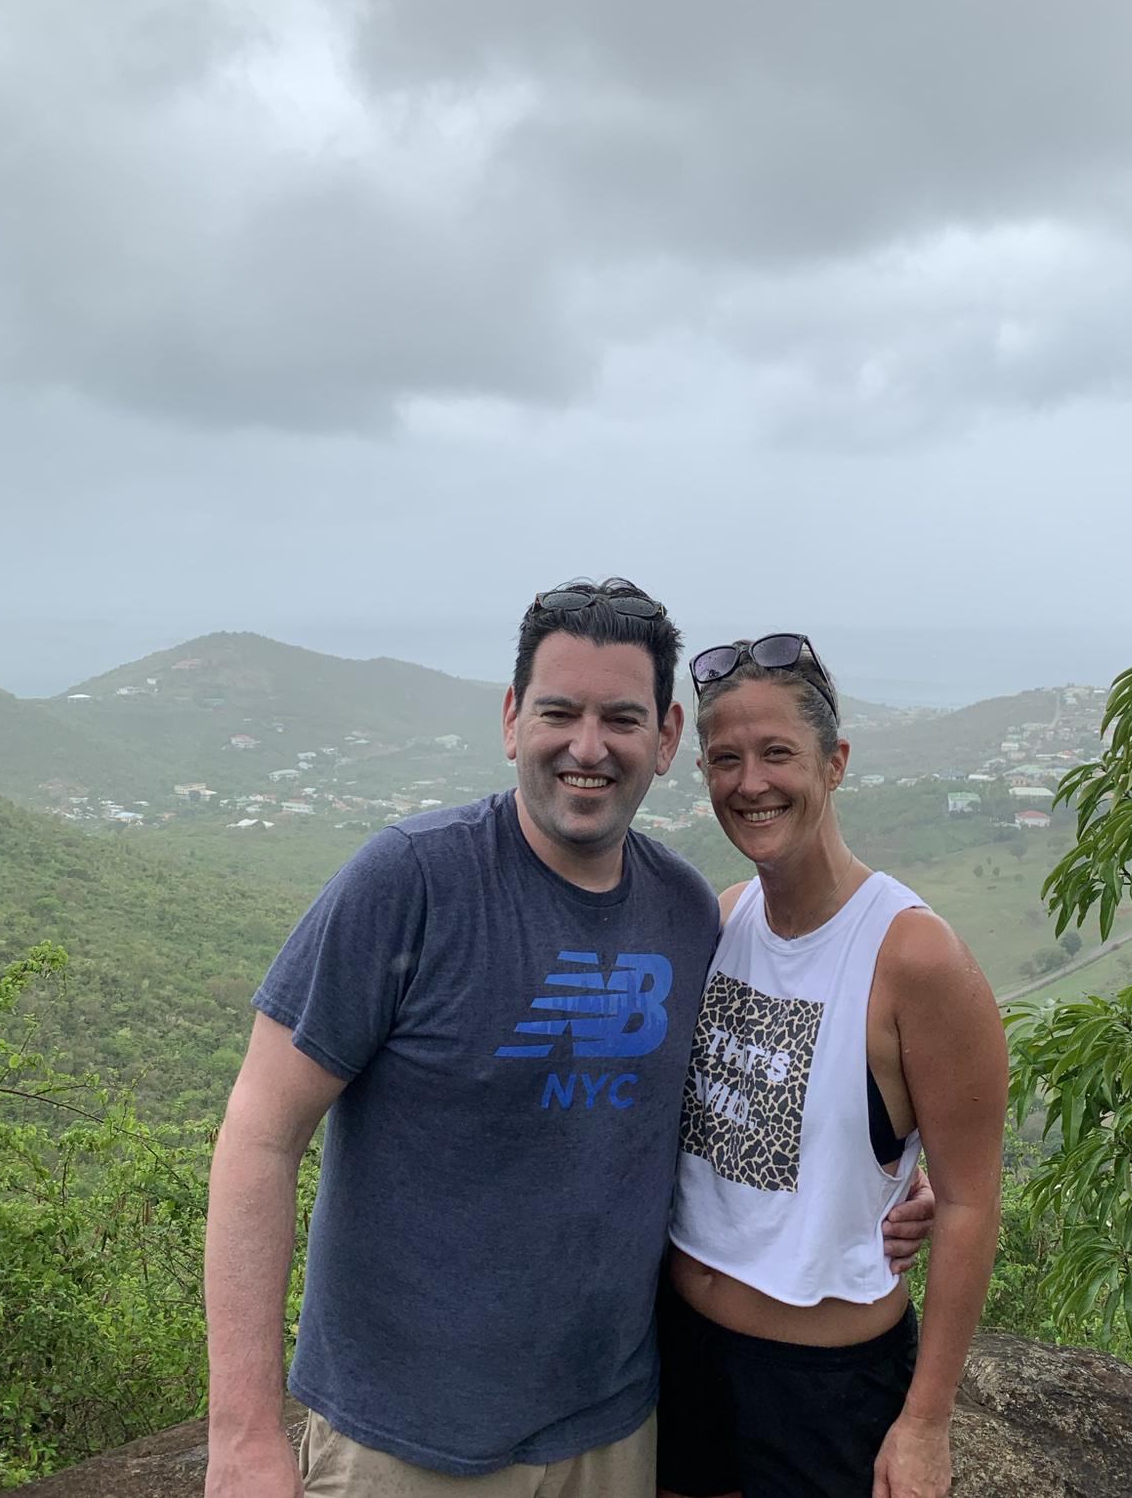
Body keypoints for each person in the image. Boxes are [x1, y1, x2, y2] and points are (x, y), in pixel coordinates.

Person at [203, 582, 932, 1498]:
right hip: (405, 1443)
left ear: (665, 741)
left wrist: (895, 1169)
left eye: (621, 719)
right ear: (513, 719)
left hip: (617, 1433)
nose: (588, 748)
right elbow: (260, 1132)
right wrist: (241, 1434)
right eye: (559, 712)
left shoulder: (686, 913)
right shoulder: (411, 882)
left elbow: (750, 1087)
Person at [656, 633, 1009, 1498]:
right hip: (679, 1350)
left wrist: (926, 1422)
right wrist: (886, 1182)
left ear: (835, 761)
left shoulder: (911, 955)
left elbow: (968, 1200)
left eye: (779, 753)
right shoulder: (728, 918)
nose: (751, 782)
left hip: (822, 1386)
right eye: (726, 759)